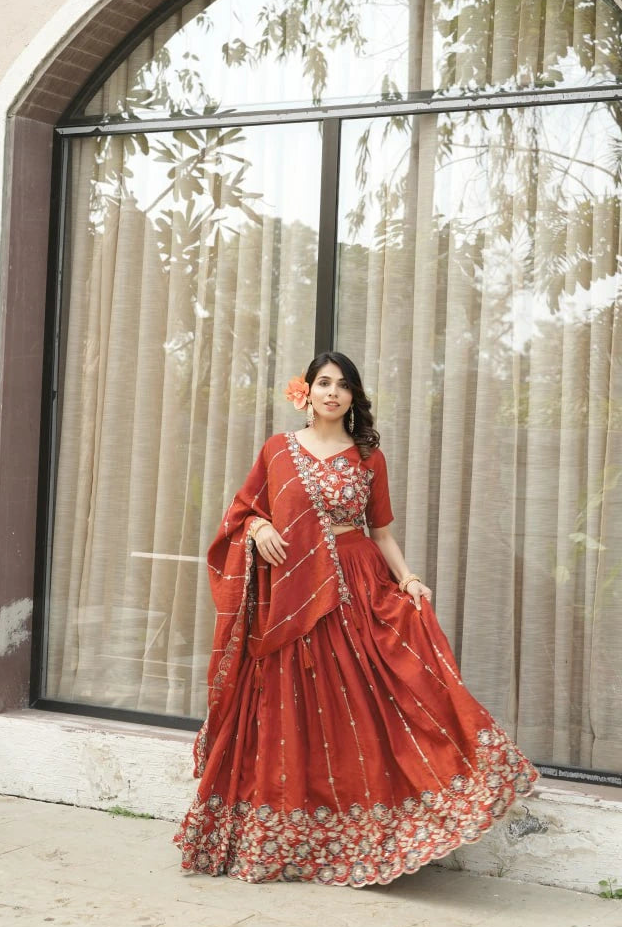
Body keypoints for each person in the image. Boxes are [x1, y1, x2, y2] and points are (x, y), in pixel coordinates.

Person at [175, 351, 538, 886]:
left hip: (355, 588)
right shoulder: (278, 451)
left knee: (371, 708)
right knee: (295, 715)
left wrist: (409, 578)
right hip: (292, 596)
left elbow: (380, 533)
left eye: (343, 386)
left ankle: (370, 837)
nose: (332, 393)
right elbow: (241, 511)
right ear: (307, 391)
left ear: (353, 398)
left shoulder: (368, 457)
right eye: (324, 383)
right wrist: (256, 530)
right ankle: (286, 840)